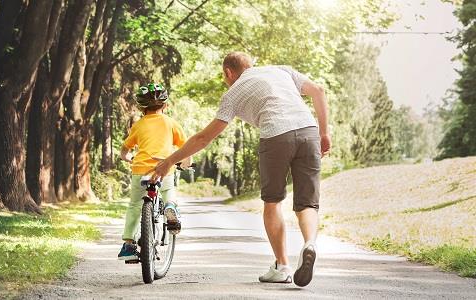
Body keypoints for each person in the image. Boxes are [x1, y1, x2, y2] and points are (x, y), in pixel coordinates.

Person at [151, 52, 330, 286]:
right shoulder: (281, 70)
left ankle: (282, 265)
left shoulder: (233, 92)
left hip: (275, 135)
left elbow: (204, 138)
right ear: (251, 65)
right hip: (308, 130)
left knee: (273, 202)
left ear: (228, 72)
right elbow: (318, 91)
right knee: (307, 203)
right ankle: (309, 243)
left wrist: (167, 162)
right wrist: (324, 133)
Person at [117, 83, 190, 261]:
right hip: (164, 166)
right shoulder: (171, 123)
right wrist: (186, 163)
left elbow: (125, 150)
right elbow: (185, 147)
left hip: (140, 169)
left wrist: (127, 158)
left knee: (135, 205)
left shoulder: (138, 125)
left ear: (142, 108)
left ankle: (128, 244)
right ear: (165, 105)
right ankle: (170, 207)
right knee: (167, 190)